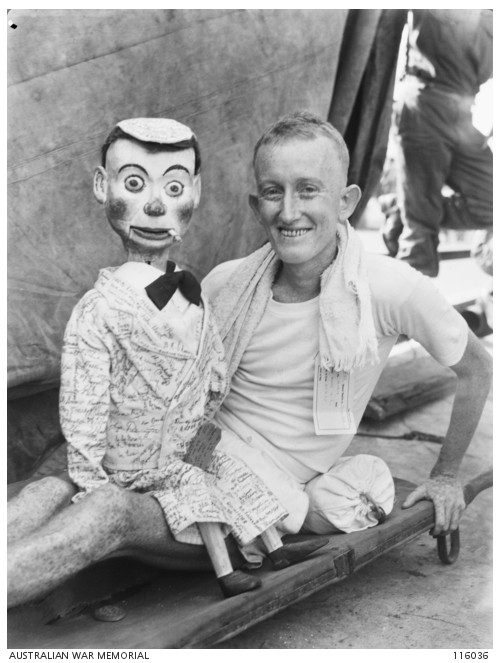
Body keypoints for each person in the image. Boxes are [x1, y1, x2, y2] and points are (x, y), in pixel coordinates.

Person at [7, 118, 326, 608]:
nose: (155, 205)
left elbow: (213, 378)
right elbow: (82, 410)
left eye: (173, 186)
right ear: (102, 186)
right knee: (54, 496)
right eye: (134, 184)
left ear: (195, 193)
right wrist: (91, 484)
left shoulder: (194, 294)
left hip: (179, 459)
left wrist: (196, 440)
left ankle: (271, 550)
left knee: (229, 483)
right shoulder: (100, 310)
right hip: (123, 470)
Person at [201, 111, 492, 548]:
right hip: (199, 451)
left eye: (309, 190)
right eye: (272, 192)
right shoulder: (225, 284)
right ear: (254, 206)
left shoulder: (389, 288)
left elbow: (477, 367)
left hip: (265, 491)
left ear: (346, 201)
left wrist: (446, 477)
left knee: (114, 516)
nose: (289, 210)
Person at [382, 9, 493, 277]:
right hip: (425, 101)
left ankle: (401, 208)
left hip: (466, 112)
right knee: (420, 233)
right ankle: (412, 302)